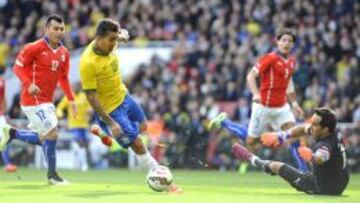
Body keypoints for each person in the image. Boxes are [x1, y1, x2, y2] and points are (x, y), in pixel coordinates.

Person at [79, 18, 181, 192]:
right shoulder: (88, 62)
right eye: (111, 40)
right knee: (138, 144)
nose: (113, 44)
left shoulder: (109, 42)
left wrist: (123, 36)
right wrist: (111, 122)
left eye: (115, 39)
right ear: (98, 38)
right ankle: (167, 185)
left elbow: (120, 34)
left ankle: (107, 133)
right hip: (111, 111)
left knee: (143, 126)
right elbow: (91, 97)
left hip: (124, 97)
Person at [209, 28, 307, 171]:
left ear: (293, 44)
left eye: (290, 41)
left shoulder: (291, 61)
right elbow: (250, 76)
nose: (286, 43)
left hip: (282, 108)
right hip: (264, 107)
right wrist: (255, 93)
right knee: (252, 141)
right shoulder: (270, 58)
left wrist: (295, 103)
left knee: (295, 135)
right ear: (278, 42)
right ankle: (224, 121)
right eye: (283, 40)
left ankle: (304, 172)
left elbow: (289, 83)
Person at [0, 15, 77, 184]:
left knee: (44, 138)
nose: (59, 32)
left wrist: (71, 99)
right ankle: (52, 176)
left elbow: (63, 78)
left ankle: (12, 133)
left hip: (47, 101)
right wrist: (29, 84)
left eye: (61, 29)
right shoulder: (34, 47)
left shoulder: (64, 53)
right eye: (55, 29)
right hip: (32, 99)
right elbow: (17, 67)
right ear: (47, 29)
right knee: (53, 132)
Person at [232, 108, 349, 195]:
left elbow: (322, 156)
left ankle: (253, 159)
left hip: (324, 187)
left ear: (325, 129)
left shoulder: (325, 144)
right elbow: (303, 128)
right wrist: (281, 135)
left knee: (277, 166)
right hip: (340, 182)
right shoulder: (333, 130)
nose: (310, 126)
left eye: (314, 125)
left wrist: (312, 157)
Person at [57, 82, 92, 171]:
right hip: (73, 125)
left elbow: (90, 107)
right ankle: (84, 165)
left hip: (84, 125)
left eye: (77, 86)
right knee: (80, 143)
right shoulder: (69, 96)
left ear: (80, 87)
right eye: (74, 86)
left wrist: (90, 110)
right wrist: (61, 117)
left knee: (84, 145)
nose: (75, 88)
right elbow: (59, 108)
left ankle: (80, 163)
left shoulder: (84, 96)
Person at [0, 76, 17, 172]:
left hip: (1, 114)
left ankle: (7, 164)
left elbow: (3, 97)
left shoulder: (2, 80)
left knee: (5, 137)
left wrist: (5, 114)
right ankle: (7, 164)